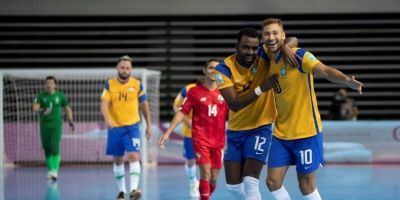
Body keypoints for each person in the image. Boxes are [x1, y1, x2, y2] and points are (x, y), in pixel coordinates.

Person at [262, 18, 363, 200]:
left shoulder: (299, 56)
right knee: (272, 182)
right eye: (267, 33)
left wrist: (346, 80)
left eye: (275, 33)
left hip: (306, 133)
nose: (271, 37)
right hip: (281, 134)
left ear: (282, 35)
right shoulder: (267, 56)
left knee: (306, 186)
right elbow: (294, 38)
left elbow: (324, 70)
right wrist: (285, 45)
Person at [214, 28, 298, 200]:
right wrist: (262, 88)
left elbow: (293, 39)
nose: (250, 52)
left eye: (254, 48)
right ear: (236, 46)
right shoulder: (223, 69)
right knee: (232, 188)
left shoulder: (264, 54)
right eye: (245, 47)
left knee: (250, 182)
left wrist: (286, 48)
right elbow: (234, 104)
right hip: (235, 131)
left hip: (260, 127)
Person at [159, 59, 228, 200]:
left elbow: (234, 113)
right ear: (205, 71)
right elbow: (181, 111)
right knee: (205, 172)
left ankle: (206, 195)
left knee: (214, 179)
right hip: (200, 138)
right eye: (210, 68)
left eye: (217, 68)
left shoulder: (226, 92)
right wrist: (168, 132)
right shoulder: (194, 92)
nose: (214, 71)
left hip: (219, 141)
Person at [101, 55, 153, 200]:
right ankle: (122, 192)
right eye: (122, 67)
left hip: (132, 127)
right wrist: (107, 118)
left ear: (131, 70)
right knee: (117, 160)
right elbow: (104, 104)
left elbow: (145, 107)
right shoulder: (109, 84)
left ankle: (134, 190)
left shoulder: (137, 84)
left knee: (133, 156)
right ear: (118, 68)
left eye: (128, 68)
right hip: (115, 128)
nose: (125, 70)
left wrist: (149, 125)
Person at [33, 76, 74, 181]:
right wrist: (42, 111)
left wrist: (70, 122)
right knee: (46, 148)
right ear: (44, 85)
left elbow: (67, 109)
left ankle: (55, 171)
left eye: (51, 83)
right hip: (44, 126)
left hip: (56, 125)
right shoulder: (40, 96)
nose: (49, 85)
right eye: (47, 83)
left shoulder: (60, 96)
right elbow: (35, 108)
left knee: (54, 146)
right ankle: (51, 171)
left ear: (55, 85)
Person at [172, 82, 201, 198]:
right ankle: (193, 182)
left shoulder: (216, 89)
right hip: (190, 133)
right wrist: (186, 120)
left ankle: (205, 184)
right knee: (191, 160)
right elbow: (175, 106)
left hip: (208, 133)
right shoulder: (187, 89)